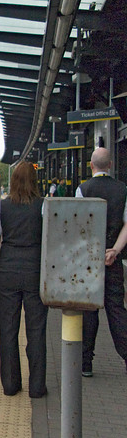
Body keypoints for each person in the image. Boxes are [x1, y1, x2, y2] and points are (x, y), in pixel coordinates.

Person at [0, 161, 48, 397]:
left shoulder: (1, 207)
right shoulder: (44, 206)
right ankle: (36, 387)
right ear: (35, 181)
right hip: (35, 272)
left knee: (8, 329)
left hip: (8, 273)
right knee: (37, 330)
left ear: (12, 181)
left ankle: (11, 385)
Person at [74, 147, 127, 376]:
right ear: (111, 165)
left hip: (88, 262)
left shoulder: (82, 189)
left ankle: (86, 363)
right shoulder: (123, 189)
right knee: (116, 310)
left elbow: (77, 227)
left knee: (89, 311)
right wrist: (114, 250)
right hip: (112, 262)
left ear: (91, 166)